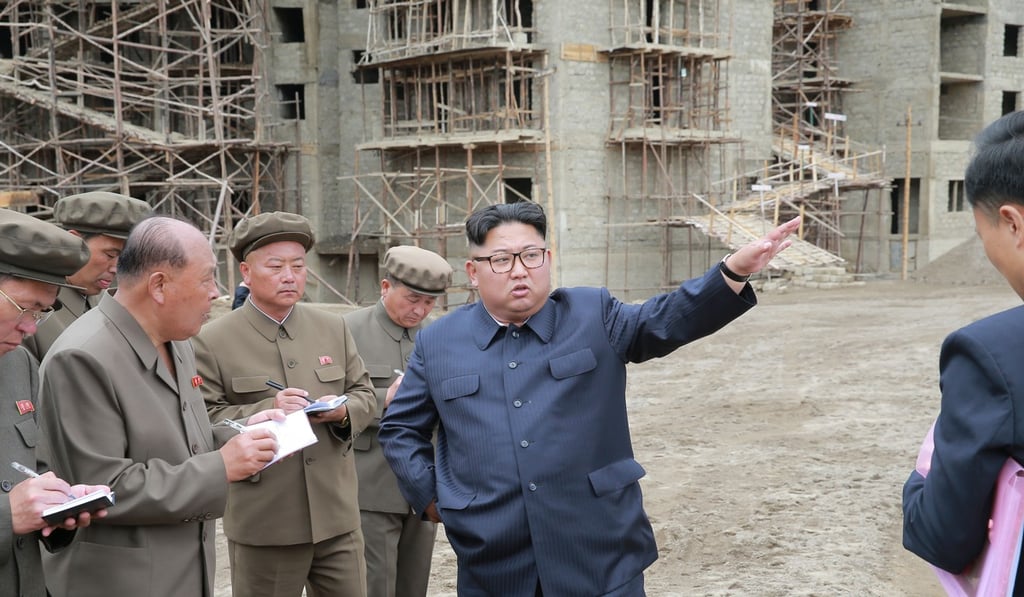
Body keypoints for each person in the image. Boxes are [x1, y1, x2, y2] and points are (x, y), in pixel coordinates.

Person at [379, 201, 801, 596]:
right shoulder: (440, 342)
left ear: (548, 258)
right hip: (494, 561)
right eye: (502, 260)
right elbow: (400, 428)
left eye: (531, 256)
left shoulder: (592, 313)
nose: (519, 271)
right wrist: (434, 499)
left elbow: (664, 319)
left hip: (600, 549)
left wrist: (732, 272)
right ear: (474, 272)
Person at [36, 216, 282, 597]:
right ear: (159, 286)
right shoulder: (83, 357)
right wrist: (222, 465)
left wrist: (241, 433)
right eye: (206, 280)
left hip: (183, 570)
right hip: (123, 581)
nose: (215, 293)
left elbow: (178, 438)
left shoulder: (176, 340)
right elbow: (104, 488)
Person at [193, 211, 377, 597]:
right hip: (266, 521)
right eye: (276, 266)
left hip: (336, 516)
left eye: (298, 265)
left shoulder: (332, 327)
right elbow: (202, 420)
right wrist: (264, 408)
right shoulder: (211, 340)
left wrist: (341, 412)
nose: (290, 276)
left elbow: (364, 393)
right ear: (246, 272)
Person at [902, 110, 1024, 585]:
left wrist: (920, 482)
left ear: (1012, 223)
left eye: (982, 233)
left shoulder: (992, 354)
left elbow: (943, 535)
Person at [0, 209, 110, 597]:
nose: (31, 328)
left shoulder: (19, 365)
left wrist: (56, 507)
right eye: (24, 307)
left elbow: (32, 471)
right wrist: (7, 517)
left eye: (41, 313)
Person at [343, 245, 453, 597]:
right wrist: (384, 399)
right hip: (370, 486)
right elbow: (325, 402)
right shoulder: (347, 331)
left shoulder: (441, 335)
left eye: (429, 302)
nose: (419, 310)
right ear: (385, 287)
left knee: (413, 585)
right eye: (412, 299)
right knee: (374, 586)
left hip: (424, 485)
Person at [23, 191, 152, 361]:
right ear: (73, 242)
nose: (117, 268)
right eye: (110, 255)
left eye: (127, 258)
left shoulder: (111, 302)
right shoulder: (29, 311)